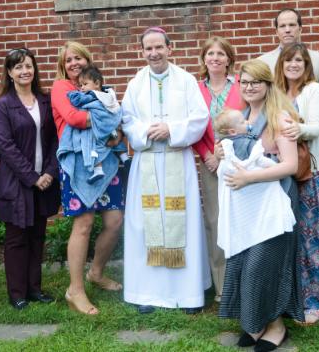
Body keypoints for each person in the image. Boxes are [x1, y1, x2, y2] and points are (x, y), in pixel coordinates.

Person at [121, 27, 210, 314]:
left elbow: (200, 117)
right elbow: (127, 119)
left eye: (159, 47)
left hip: (176, 158)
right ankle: (146, 293)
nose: (154, 53)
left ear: (169, 49)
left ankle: (187, 295)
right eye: (148, 48)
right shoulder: (135, 84)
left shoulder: (186, 81)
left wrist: (171, 129)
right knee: (143, 226)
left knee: (182, 222)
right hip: (146, 161)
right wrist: (146, 131)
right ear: (142, 52)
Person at [218, 59, 303, 351]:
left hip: (274, 203)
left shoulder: (280, 118)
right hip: (246, 206)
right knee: (243, 263)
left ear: (268, 85)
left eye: (256, 81)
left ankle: (276, 326)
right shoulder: (239, 118)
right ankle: (256, 325)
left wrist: (249, 177)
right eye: (245, 82)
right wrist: (223, 152)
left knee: (264, 265)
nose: (250, 87)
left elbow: (290, 165)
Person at [51, 42, 125, 316]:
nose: (74, 63)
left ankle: (96, 272)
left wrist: (112, 128)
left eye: (79, 58)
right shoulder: (62, 87)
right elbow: (73, 117)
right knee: (83, 224)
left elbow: (117, 116)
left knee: (115, 221)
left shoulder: (98, 87)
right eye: (69, 59)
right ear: (63, 65)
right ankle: (75, 290)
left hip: (104, 161)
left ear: (87, 60)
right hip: (77, 163)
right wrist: (107, 123)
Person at [273, 43, 319, 325]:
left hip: (311, 172)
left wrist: (293, 129)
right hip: (284, 172)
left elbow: (315, 127)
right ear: (282, 65)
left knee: (314, 235)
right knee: (292, 237)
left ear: (306, 64)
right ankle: (297, 295)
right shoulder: (276, 92)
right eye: (289, 61)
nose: (294, 65)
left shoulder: (313, 90)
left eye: (299, 60)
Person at [0, 48, 60, 310]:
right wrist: (32, 177)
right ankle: (17, 292)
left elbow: (57, 139)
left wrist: (49, 173)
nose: (24, 71)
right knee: (16, 239)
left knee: (37, 237)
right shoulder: (3, 105)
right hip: (17, 183)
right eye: (18, 67)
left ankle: (35, 288)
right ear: (10, 73)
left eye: (28, 66)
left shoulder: (45, 100)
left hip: (45, 180)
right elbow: (5, 145)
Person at [191, 35, 245, 302]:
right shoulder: (195, 89)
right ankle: (222, 285)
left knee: (241, 219)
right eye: (210, 54)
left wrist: (230, 151)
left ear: (229, 59)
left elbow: (250, 120)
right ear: (203, 59)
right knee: (215, 221)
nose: (215, 58)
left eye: (220, 54)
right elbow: (193, 127)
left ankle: (244, 280)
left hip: (240, 162)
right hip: (210, 164)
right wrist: (207, 155)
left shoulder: (241, 86)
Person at [213, 108, 296, 262]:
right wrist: (274, 164)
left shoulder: (224, 144)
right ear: (232, 130)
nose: (247, 122)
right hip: (250, 185)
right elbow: (258, 159)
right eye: (243, 122)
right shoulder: (248, 142)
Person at [61, 65, 128, 183]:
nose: (82, 88)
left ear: (97, 83)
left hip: (100, 126)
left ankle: (98, 170)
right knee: (116, 138)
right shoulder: (109, 94)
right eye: (80, 85)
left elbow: (78, 101)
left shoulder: (92, 95)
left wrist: (72, 95)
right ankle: (125, 158)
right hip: (111, 127)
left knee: (91, 145)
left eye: (85, 84)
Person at [258, 8, 319, 82]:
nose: (287, 30)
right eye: (282, 26)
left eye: (292, 25)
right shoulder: (262, 63)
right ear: (276, 32)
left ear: (300, 29)